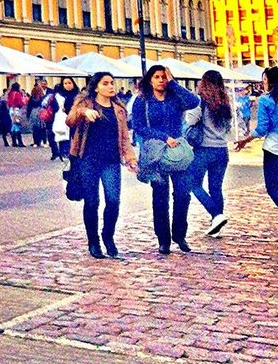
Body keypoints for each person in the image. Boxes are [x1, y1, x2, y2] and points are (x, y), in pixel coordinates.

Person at [67, 72, 138, 259]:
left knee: (113, 201)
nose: (111, 86)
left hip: (111, 161)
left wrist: (130, 158)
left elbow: (124, 138)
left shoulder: (118, 109)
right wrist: (83, 112)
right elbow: (70, 120)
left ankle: (108, 237)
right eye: (105, 83)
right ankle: (93, 241)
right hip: (88, 160)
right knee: (92, 202)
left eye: (112, 83)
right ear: (96, 87)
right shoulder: (85, 104)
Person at [132, 63, 200, 255]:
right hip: (157, 153)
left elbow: (194, 102)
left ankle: (180, 235)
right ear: (150, 80)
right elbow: (138, 127)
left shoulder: (175, 97)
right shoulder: (142, 101)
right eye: (157, 77)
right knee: (160, 197)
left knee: (183, 195)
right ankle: (163, 239)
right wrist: (163, 137)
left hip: (178, 153)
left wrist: (174, 84)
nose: (161, 80)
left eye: (164, 77)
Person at [185, 70, 232, 236]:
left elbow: (190, 120)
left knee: (193, 183)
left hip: (204, 149)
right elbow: (228, 128)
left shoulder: (200, 101)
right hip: (222, 150)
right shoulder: (226, 103)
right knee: (216, 188)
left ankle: (216, 215)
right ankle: (216, 226)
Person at [234, 66, 278, 208]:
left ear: (270, 82)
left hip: (274, 148)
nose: (263, 83)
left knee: (273, 187)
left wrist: (246, 140)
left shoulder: (266, 100)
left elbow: (262, 129)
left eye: (264, 80)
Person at [51, 77, 80, 166]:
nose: (68, 85)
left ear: (73, 84)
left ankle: (75, 153)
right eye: (65, 83)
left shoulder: (78, 95)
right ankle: (64, 153)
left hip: (76, 119)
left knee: (76, 137)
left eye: (69, 83)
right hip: (64, 120)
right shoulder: (59, 95)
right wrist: (59, 108)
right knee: (64, 136)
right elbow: (53, 107)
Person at [6, 82, 27, 147]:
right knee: (17, 124)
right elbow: (20, 102)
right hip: (16, 109)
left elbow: (8, 102)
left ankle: (14, 141)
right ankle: (20, 142)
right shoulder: (18, 94)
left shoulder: (10, 94)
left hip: (11, 110)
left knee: (13, 125)